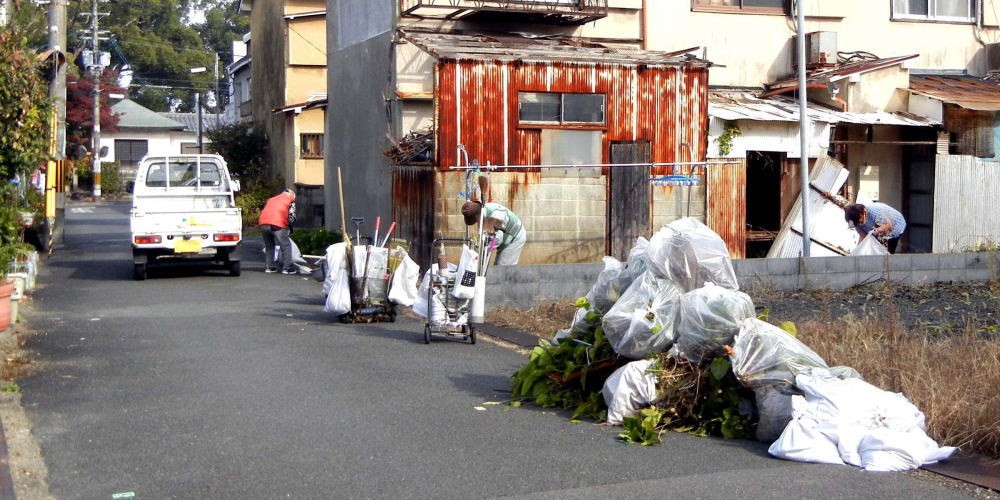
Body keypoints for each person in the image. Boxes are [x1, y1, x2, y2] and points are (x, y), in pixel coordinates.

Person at [818, 189, 906, 254]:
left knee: (886, 252)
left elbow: (888, 226)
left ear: (863, 211)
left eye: (861, 219)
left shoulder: (874, 212)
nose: (861, 222)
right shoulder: (853, 216)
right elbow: (863, 237)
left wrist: (878, 231)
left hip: (895, 226)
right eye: (858, 222)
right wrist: (858, 251)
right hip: (877, 231)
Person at [461, 200, 527, 265]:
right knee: (498, 266)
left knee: (502, 267)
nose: (476, 222)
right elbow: (486, 233)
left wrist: (483, 254)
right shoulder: (482, 211)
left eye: (475, 220)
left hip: (515, 237)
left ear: (476, 216)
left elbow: (497, 239)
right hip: (506, 236)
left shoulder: (494, 215)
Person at [259, 188, 298, 273]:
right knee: (286, 245)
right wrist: (290, 227)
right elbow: (292, 217)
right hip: (277, 223)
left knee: (269, 246)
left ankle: (269, 267)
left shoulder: (271, 199)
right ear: (292, 195)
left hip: (263, 223)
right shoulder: (290, 200)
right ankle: (287, 268)